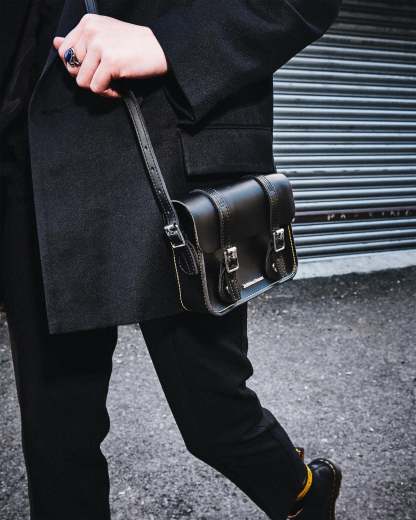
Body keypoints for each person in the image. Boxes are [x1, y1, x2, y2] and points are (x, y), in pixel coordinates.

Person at [0, 1, 342, 519]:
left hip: (169, 146)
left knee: (215, 413)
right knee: (56, 434)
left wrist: (169, 43)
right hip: (29, 160)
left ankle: (304, 495)